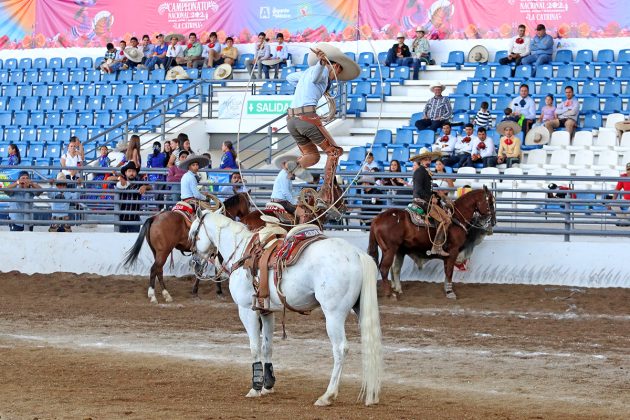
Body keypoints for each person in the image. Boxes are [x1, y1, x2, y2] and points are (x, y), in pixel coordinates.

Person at [280, 43, 360, 216]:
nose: (337, 76)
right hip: (307, 119)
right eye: (338, 72)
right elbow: (318, 76)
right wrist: (321, 64)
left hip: (292, 121)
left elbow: (290, 78)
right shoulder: (322, 72)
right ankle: (326, 195)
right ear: (336, 66)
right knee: (335, 152)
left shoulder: (306, 75)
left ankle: (295, 166)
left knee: (313, 156)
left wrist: (309, 74)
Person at [409, 148, 451, 256]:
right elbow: (418, 190)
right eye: (426, 159)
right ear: (421, 161)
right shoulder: (419, 172)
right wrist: (431, 198)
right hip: (421, 201)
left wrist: (438, 197)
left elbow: (427, 190)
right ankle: (437, 247)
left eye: (429, 159)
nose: (428, 161)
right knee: (445, 220)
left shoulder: (424, 172)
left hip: (425, 199)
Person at [115, 161, 151, 233]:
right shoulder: (121, 181)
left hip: (135, 217)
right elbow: (108, 179)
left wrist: (145, 187)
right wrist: (119, 178)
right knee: (120, 239)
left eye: (133, 171)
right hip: (121, 217)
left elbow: (150, 187)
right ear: (125, 173)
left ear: (136, 173)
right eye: (129, 171)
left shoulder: (139, 183)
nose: (131, 173)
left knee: (134, 239)